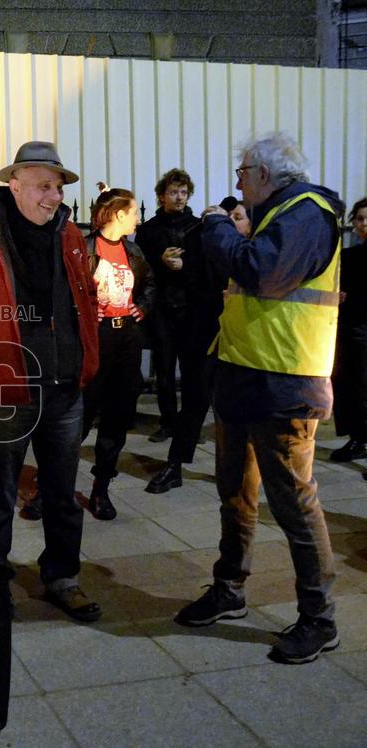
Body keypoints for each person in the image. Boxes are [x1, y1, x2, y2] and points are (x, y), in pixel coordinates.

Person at [175, 132, 342, 665]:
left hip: (284, 386)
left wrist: (220, 227)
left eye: (243, 173)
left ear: (265, 174)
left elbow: (261, 273)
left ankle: (320, 619)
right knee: (236, 496)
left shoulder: (308, 213)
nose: (238, 182)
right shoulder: (279, 215)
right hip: (246, 378)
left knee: (295, 505)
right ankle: (230, 588)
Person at [0, 141, 101, 622]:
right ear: (16, 185)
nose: (54, 196)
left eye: (58, 187)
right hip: (10, 391)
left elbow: (86, 299)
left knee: (62, 492)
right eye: (44, 186)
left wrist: (86, 357)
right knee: (0, 492)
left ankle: (62, 577)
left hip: (65, 388)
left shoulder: (70, 235)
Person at [146, 197, 248, 494]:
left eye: (239, 217)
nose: (232, 221)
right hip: (206, 334)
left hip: (243, 342)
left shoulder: (255, 257)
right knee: (193, 399)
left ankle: (236, 471)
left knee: (233, 410)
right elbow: (195, 281)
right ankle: (175, 464)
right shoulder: (213, 248)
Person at [82, 188, 155, 520]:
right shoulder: (84, 247)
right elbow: (66, 289)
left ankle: (101, 489)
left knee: (117, 415)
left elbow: (150, 284)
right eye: (133, 212)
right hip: (95, 339)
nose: (138, 217)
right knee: (79, 416)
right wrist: (83, 312)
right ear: (118, 214)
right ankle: (49, 486)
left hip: (126, 338)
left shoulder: (134, 250)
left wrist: (142, 307)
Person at [134, 168, 201, 443]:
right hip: (162, 307)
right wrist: (160, 262)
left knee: (191, 370)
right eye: (174, 192)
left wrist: (185, 266)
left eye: (184, 192)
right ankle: (168, 422)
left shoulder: (198, 227)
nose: (179, 197)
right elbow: (139, 267)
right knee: (163, 368)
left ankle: (189, 424)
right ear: (162, 196)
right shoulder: (149, 229)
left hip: (190, 307)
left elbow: (206, 266)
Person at [330, 197, 367, 462]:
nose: (364, 224)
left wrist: (349, 297)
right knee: (348, 386)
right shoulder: (349, 255)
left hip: (362, 328)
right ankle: (359, 438)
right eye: (359, 219)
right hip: (349, 328)